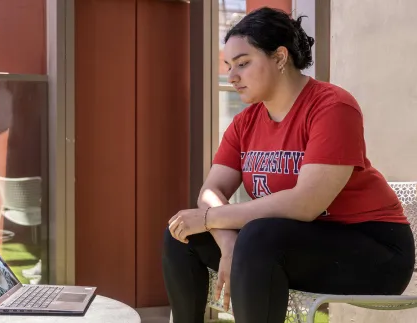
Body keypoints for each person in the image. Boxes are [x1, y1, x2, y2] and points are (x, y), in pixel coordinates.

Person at [161, 7, 415, 323]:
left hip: (373, 251)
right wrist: (228, 245)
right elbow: (212, 190)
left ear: (280, 57)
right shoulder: (245, 123)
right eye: (229, 66)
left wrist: (211, 218)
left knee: (258, 236)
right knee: (182, 233)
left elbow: (305, 204)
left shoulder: (332, 106)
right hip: (289, 245)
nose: (232, 76)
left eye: (243, 63)